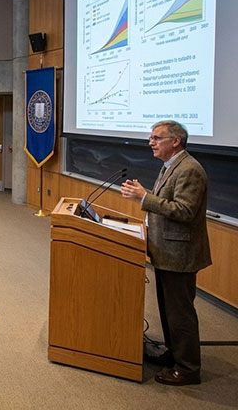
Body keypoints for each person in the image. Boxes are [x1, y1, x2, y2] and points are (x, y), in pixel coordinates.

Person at [120, 120, 211, 386]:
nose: (151, 142)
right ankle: (175, 354)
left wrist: (144, 198)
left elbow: (184, 211)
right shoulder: (171, 167)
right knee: (169, 310)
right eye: (151, 137)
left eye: (157, 138)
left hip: (180, 254)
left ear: (176, 141)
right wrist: (145, 194)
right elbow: (169, 202)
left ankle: (188, 368)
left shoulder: (190, 170)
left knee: (180, 313)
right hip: (166, 251)